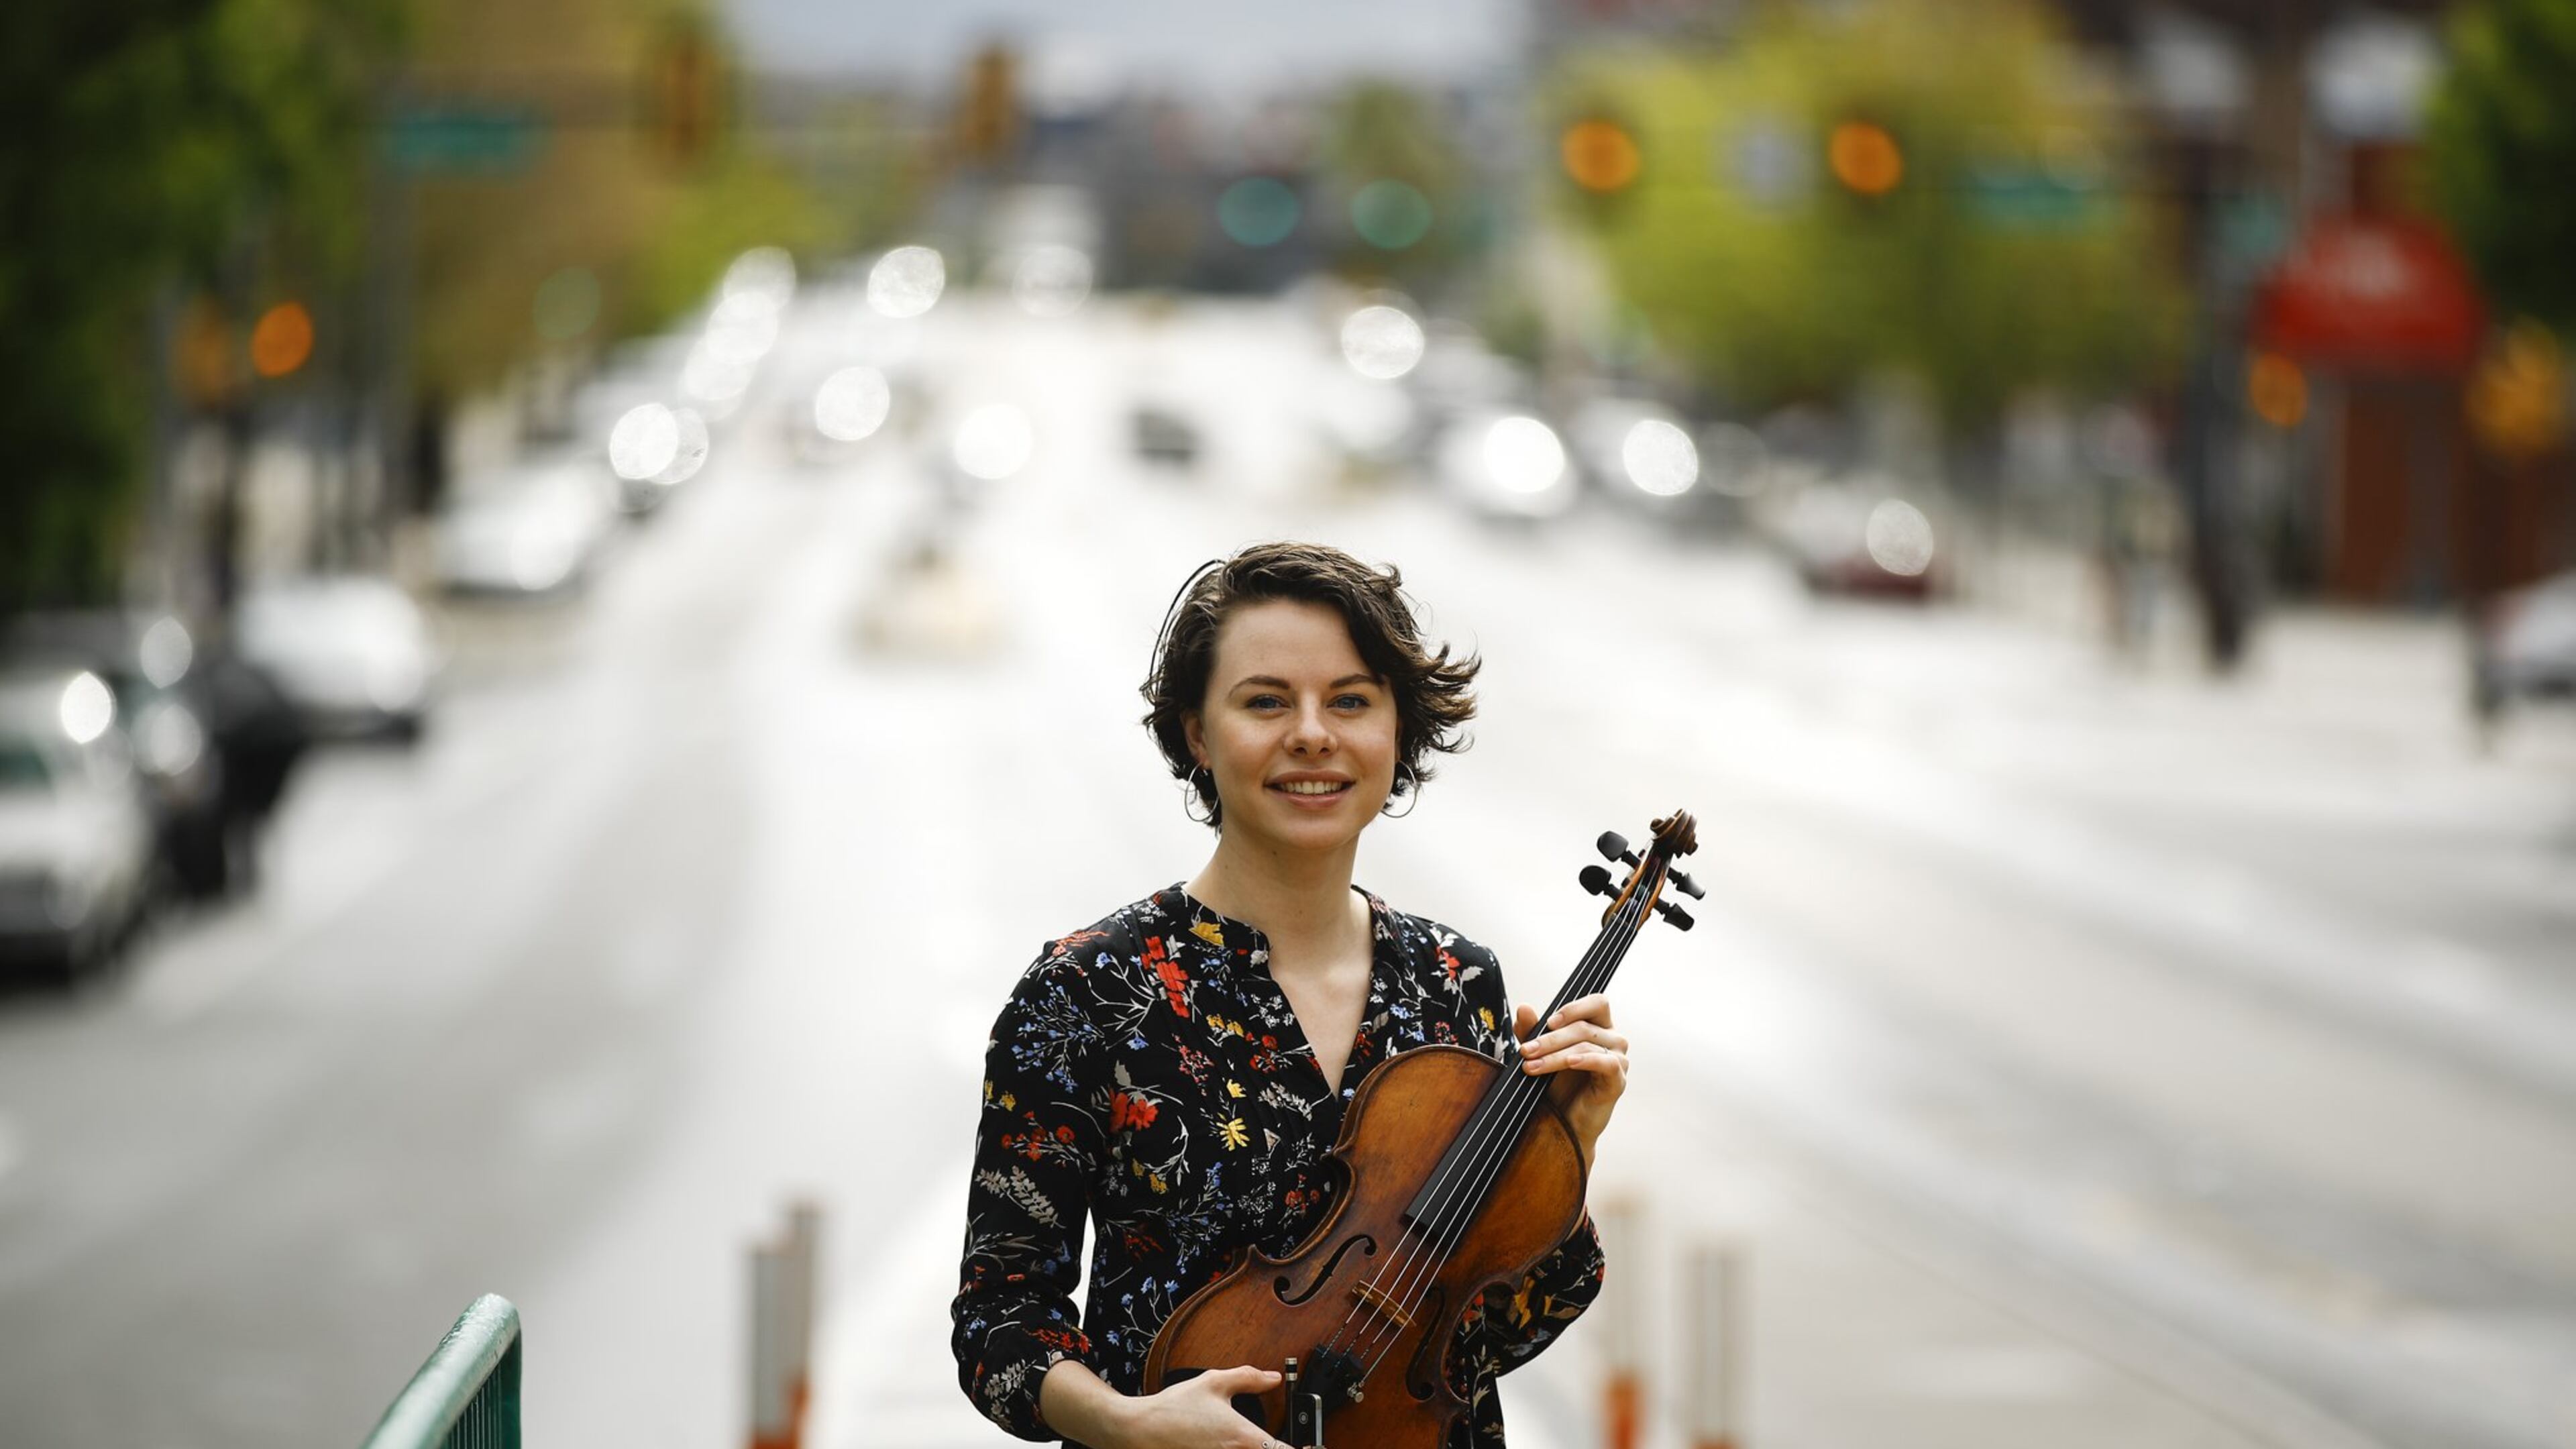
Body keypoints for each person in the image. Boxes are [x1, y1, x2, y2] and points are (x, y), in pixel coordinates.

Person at [953, 543, 1628, 1449]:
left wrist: (1565, 1151)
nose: (1313, 734)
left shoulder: (1456, 982)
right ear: (1197, 732)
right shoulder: (1086, 990)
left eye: (1350, 701)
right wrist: (1124, 1424)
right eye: (1266, 701)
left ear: (1397, 731)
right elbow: (1000, 1318)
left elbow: (1479, 1339)